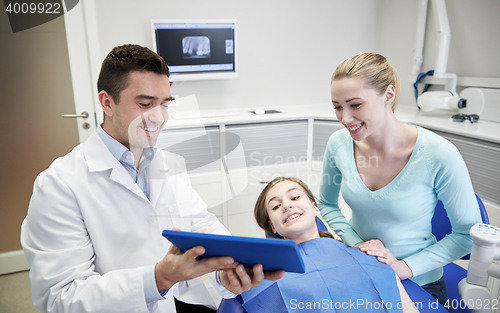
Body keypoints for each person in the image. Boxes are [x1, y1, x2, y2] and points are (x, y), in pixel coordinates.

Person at [20, 44, 283, 313]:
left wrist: (228, 269)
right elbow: (60, 298)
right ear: (107, 102)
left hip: (185, 301)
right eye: (145, 104)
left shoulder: (169, 164)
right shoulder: (59, 185)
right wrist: (159, 278)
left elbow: (199, 224)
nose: (158, 117)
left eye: (165, 104)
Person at [318, 52, 482, 305]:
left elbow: (467, 235)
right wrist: (360, 246)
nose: (345, 118)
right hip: (363, 270)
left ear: (389, 95)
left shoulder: (438, 154)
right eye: (338, 107)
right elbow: (327, 205)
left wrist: (403, 267)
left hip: (418, 281)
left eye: (355, 105)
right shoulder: (338, 144)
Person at [240, 176, 420, 313]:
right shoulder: (265, 278)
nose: (286, 206)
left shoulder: (367, 255)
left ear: (315, 208)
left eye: (294, 198)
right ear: (273, 227)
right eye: (276, 206)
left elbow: (407, 308)